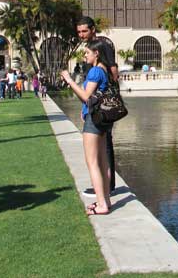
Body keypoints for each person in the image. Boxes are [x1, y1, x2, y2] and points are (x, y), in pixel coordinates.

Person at [61, 40, 112, 215]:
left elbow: (85, 96)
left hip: (94, 120)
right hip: (104, 120)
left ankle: (101, 204)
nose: (85, 56)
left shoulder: (96, 71)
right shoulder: (105, 70)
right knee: (103, 161)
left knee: (92, 162)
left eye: (87, 53)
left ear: (96, 53)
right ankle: (106, 200)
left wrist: (69, 80)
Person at [76, 16, 118, 196]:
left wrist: (108, 96)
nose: (81, 35)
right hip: (93, 105)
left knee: (105, 145)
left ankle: (107, 186)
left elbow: (114, 71)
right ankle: (105, 185)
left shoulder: (102, 47)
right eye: (78, 32)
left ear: (93, 29)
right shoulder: (89, 48)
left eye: (84, 31)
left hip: (102, 106)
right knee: (102, 145)